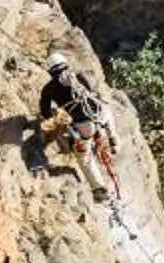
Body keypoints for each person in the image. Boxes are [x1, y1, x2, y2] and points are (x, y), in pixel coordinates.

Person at [36, 53, 120, 206]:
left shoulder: (49, 89)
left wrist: (58, 112)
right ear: (65, 65)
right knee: (107, 111)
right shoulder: (78, 77)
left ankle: (100, 190)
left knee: (84, 157)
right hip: (100, 116)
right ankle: (113, 137)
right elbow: (90, 93)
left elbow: (45, 111)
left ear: (50, 71)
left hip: (84, 126)